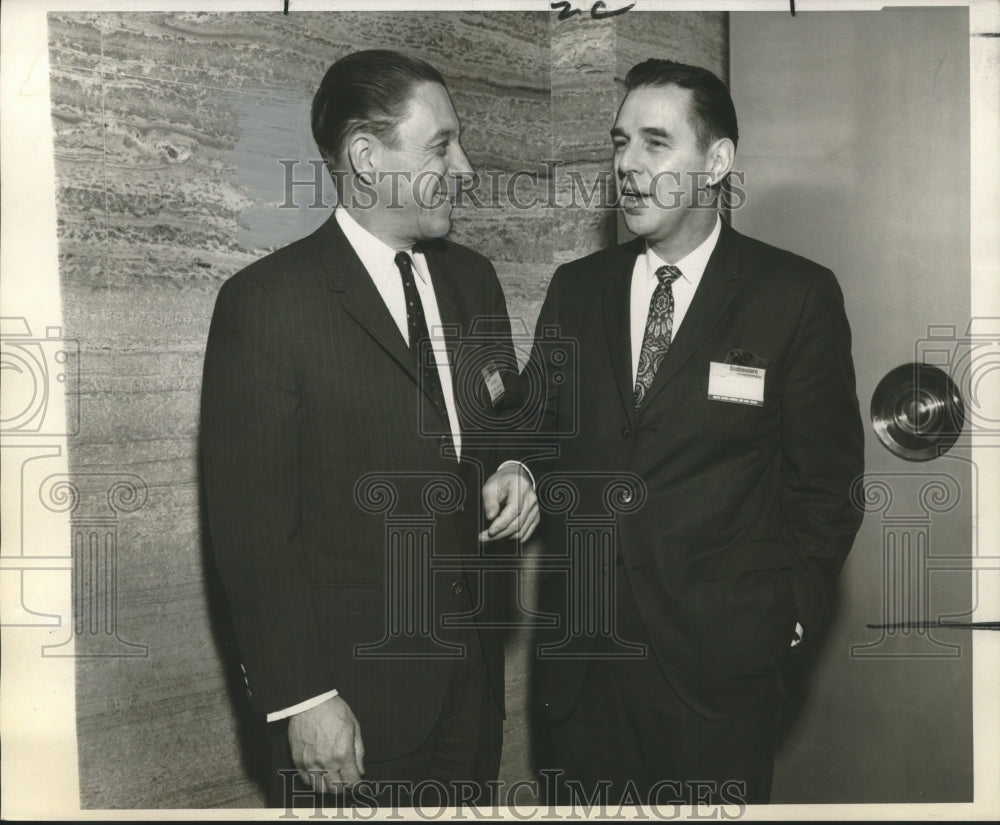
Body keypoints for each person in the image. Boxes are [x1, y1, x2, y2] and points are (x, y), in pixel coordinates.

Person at [522, 59, 865, 806]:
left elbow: (827, 487)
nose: (628, 166)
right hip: (580, 678)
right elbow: (534, 429)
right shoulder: (576, 290)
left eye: (655, 143)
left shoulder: (795, 296)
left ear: (716, 162)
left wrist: (788, 619)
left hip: (716, 682)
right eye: (620, 143)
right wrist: (513, 462)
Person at [200, 49, 537, 809]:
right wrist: (303, 699)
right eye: (442, 145)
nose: (468, 167)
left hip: (470, 693)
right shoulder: (267, 305)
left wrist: (515, 465)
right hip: (349, 714)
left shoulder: (471, 280)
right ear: (364, 156)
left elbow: (501, 421)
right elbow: (254, 531)